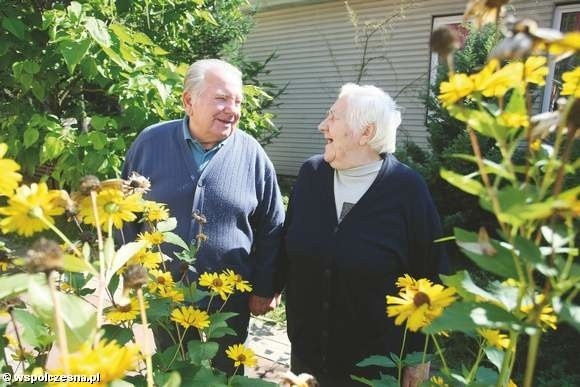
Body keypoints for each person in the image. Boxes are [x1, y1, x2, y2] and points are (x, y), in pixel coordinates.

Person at [277, 83, 448, 386]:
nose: (322, 126)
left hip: (374, 367)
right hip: (307, 358)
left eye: (333, 117)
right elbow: (288, 245)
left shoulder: (407, 190)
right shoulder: (311, 175)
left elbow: (432, 277)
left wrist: (419, 357)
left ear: (366, 133)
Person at [121, 59, 284, 374]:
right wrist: (131, 275)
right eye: (222, 98)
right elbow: (127, 213)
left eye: (237, 101)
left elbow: (272, 226)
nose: (232, 109)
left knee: (228, 372)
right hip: (165, 290)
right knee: (175, 369)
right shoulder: (150, 143)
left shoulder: (252, 154)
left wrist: (265, 287)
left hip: (230, 296)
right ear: (188, 101)